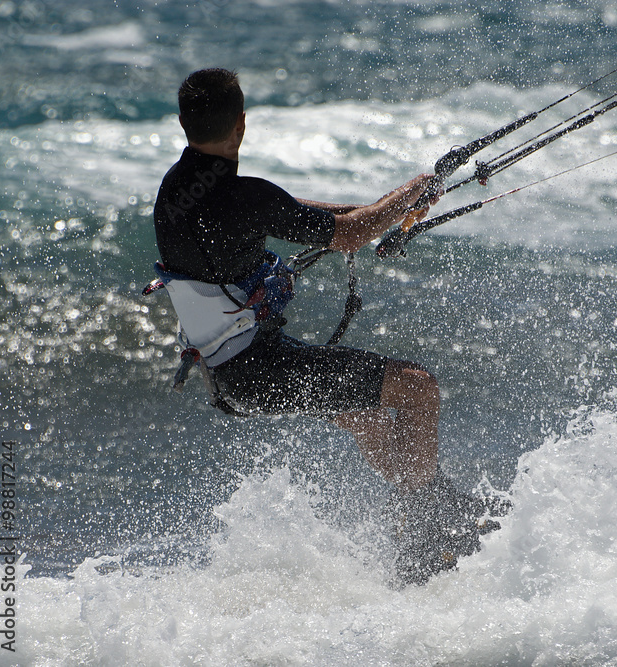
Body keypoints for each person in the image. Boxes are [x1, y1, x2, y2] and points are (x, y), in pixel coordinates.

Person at [152, 68, 497, 583]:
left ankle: (432, 509)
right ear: (241, 125)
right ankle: (431, 526)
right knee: (418, 389)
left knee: (369, 417)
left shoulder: (176, 192)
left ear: (183, 123)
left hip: (232, 376)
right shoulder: (246, 197)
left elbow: (290, 213)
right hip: (262, 368)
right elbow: (349, 234)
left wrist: (384, 207)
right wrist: (411, 192)